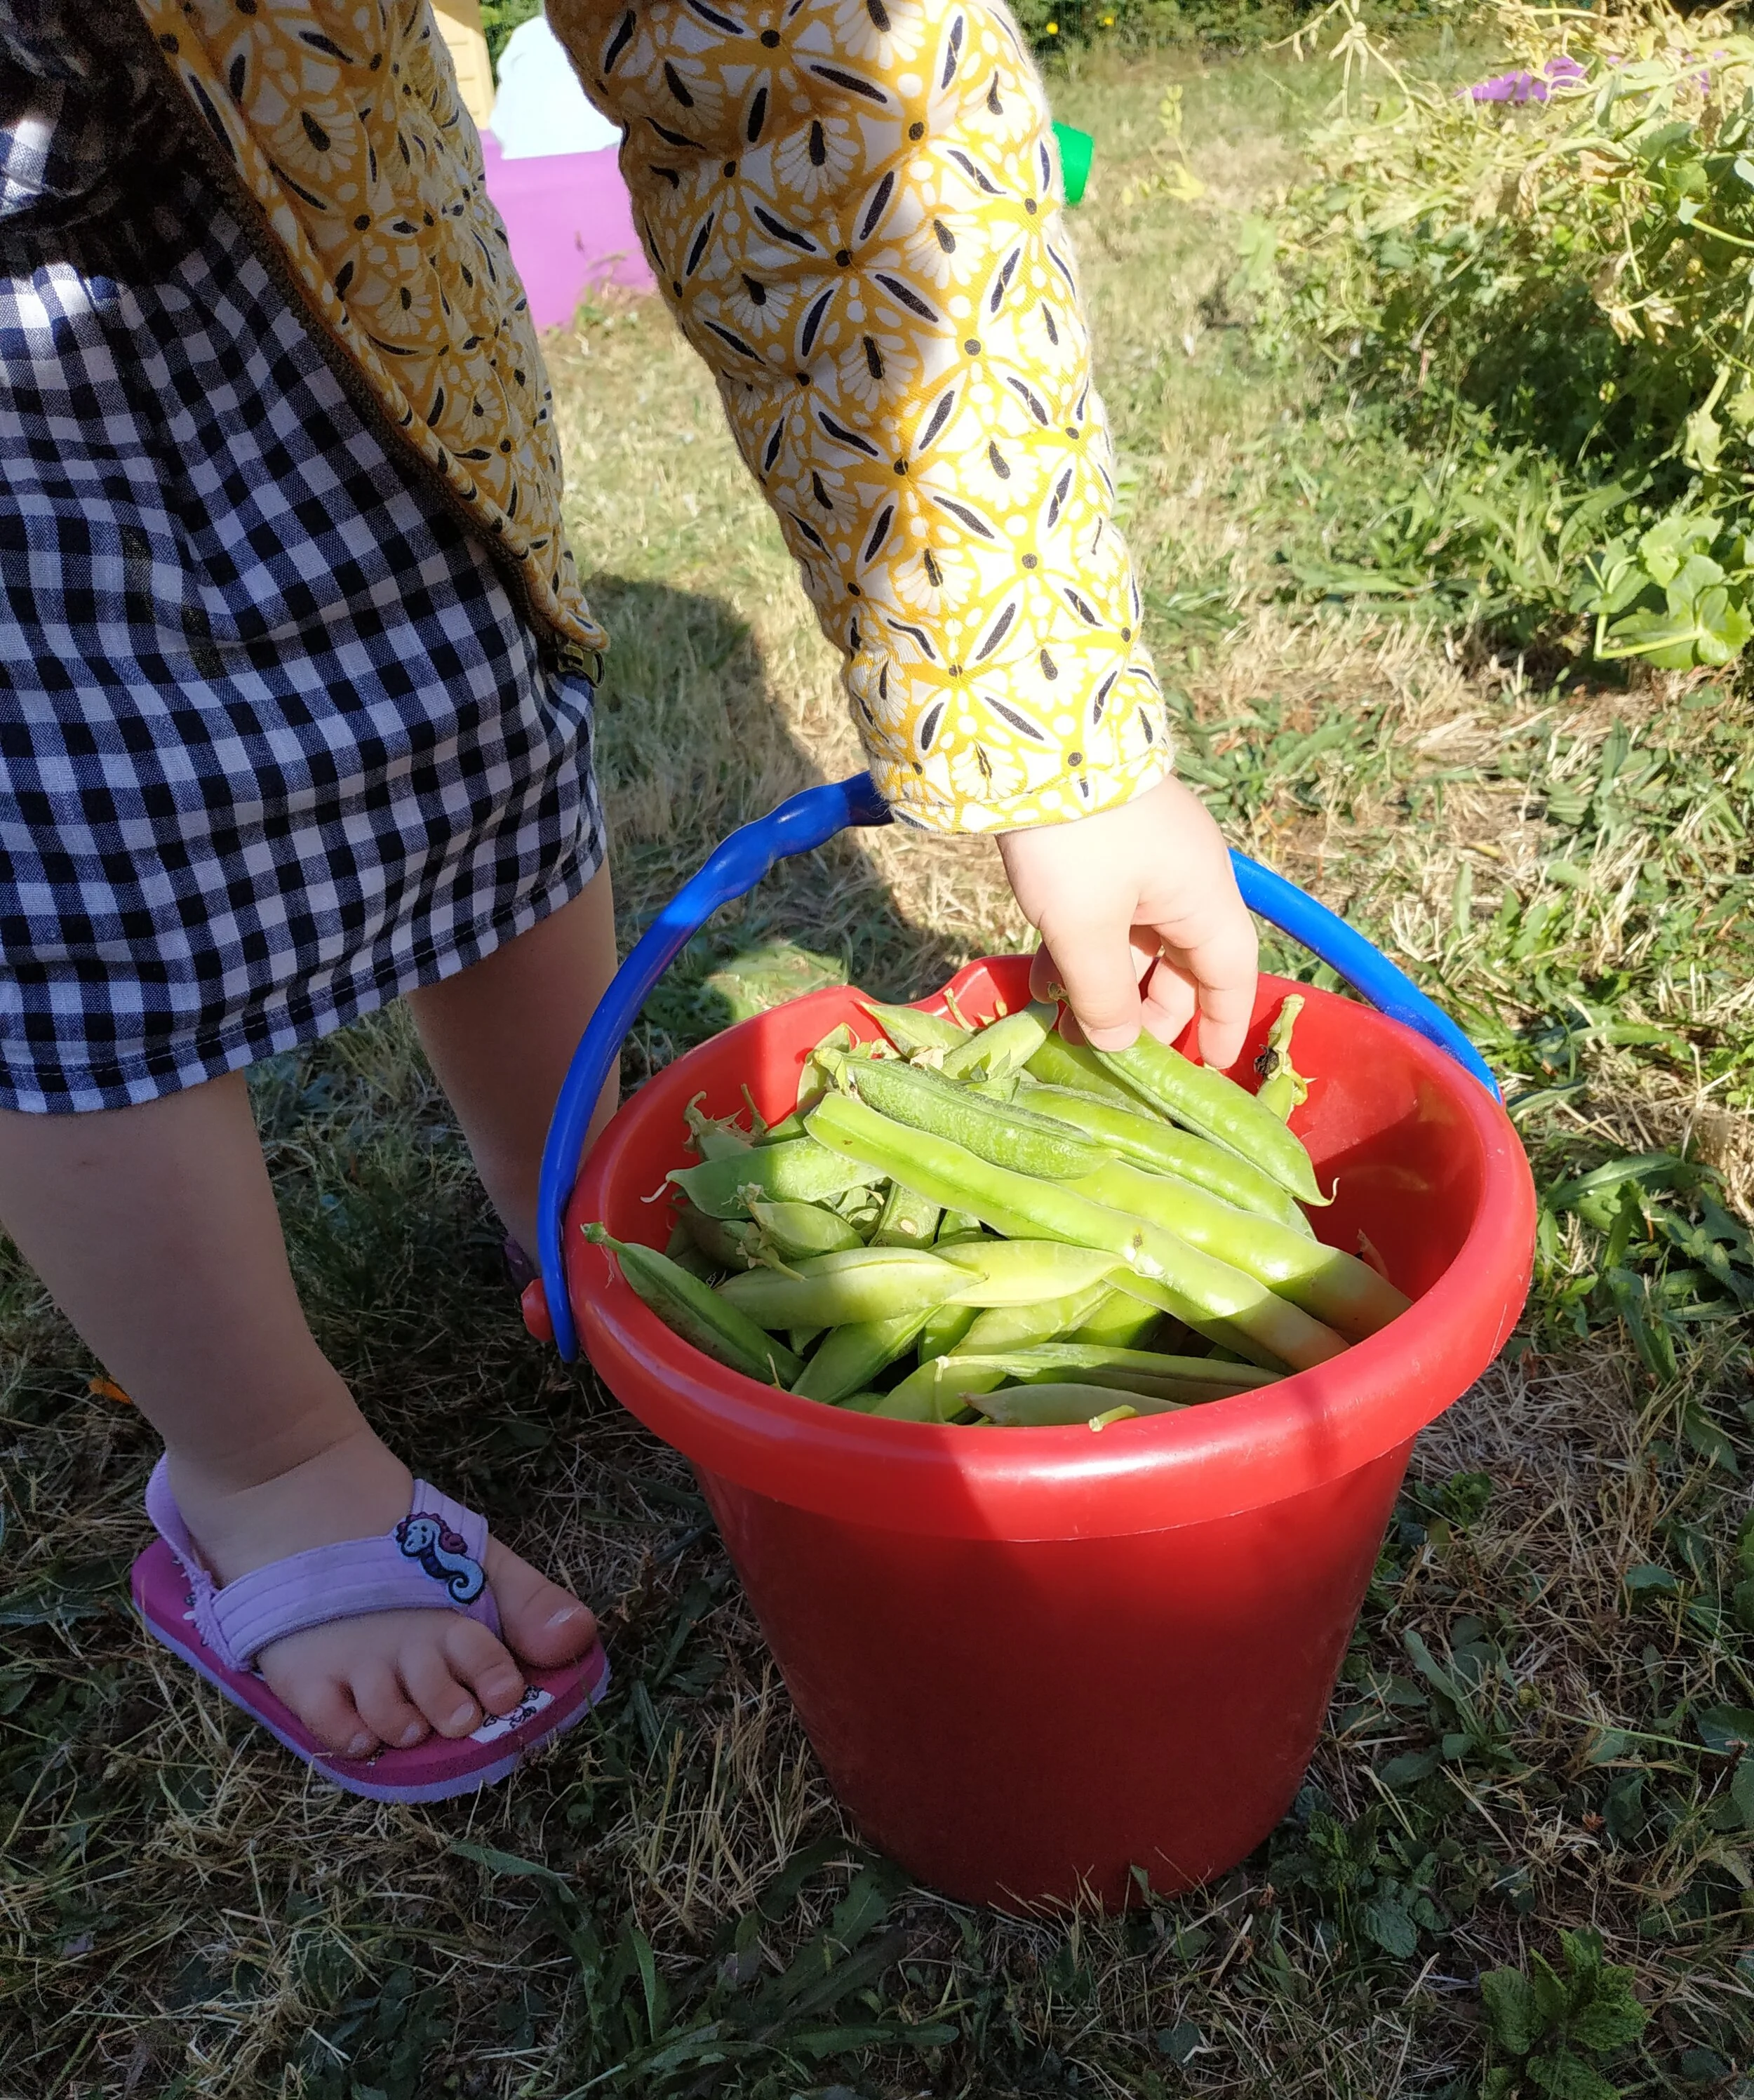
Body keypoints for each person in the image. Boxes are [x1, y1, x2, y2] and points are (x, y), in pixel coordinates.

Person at [0, 0, 1257, 1800]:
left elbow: (814, 80)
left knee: (483, 747)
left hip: (344, 240)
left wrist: (1057, 735)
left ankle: (577, 1222)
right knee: (61, 884)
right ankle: (265, 1472)